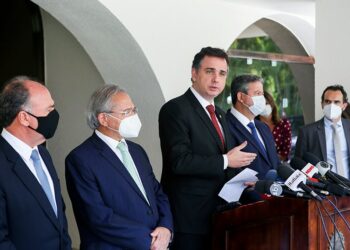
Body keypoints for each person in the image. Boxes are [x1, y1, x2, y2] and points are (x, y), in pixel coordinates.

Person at [158, 47, 257, 250]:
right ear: (194, 74)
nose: (216, 79)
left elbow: (223, 161)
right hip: (188, 219)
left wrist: (243, 179)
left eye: (222, 73)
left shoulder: (220, 114)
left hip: (221, 215)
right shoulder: (175, 109)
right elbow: (179, 161)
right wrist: (226, 161)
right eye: (209, 71)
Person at [65, 84, 173, 250]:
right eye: (126, 112)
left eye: (134, 110)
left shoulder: (137, 151)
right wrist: (149, 241)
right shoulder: (80, 159)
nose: (134, 116)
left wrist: (165, 228)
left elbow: (157, 193)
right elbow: (98, 217)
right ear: (103, 119)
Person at [0, 76, 71, 250]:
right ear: (24, 118)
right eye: (49, 110)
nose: (54, 116)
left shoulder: (43, 154)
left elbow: (57, 216)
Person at [226, 75, 279, 179]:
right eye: (257, 93)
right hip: (246, 193)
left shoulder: (263, 127)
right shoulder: (224, 126)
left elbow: (275, 163)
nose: (262, 99)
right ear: (241, 97)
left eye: (262, 94)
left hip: (273, 193)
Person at [295, 85, 350, 179]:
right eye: (327, 102)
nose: (331, 106)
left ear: (344, 106)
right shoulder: (307, 132)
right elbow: (298, 163)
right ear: (322, 104)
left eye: (336, 102)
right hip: (324, 189)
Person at [258, 91, 292, 162]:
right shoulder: (254, 126)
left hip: (280, 165)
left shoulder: (284, 124)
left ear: (272, 104)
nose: (264, 107)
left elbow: (286, 152)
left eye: (266, 103)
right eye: (261, 105)